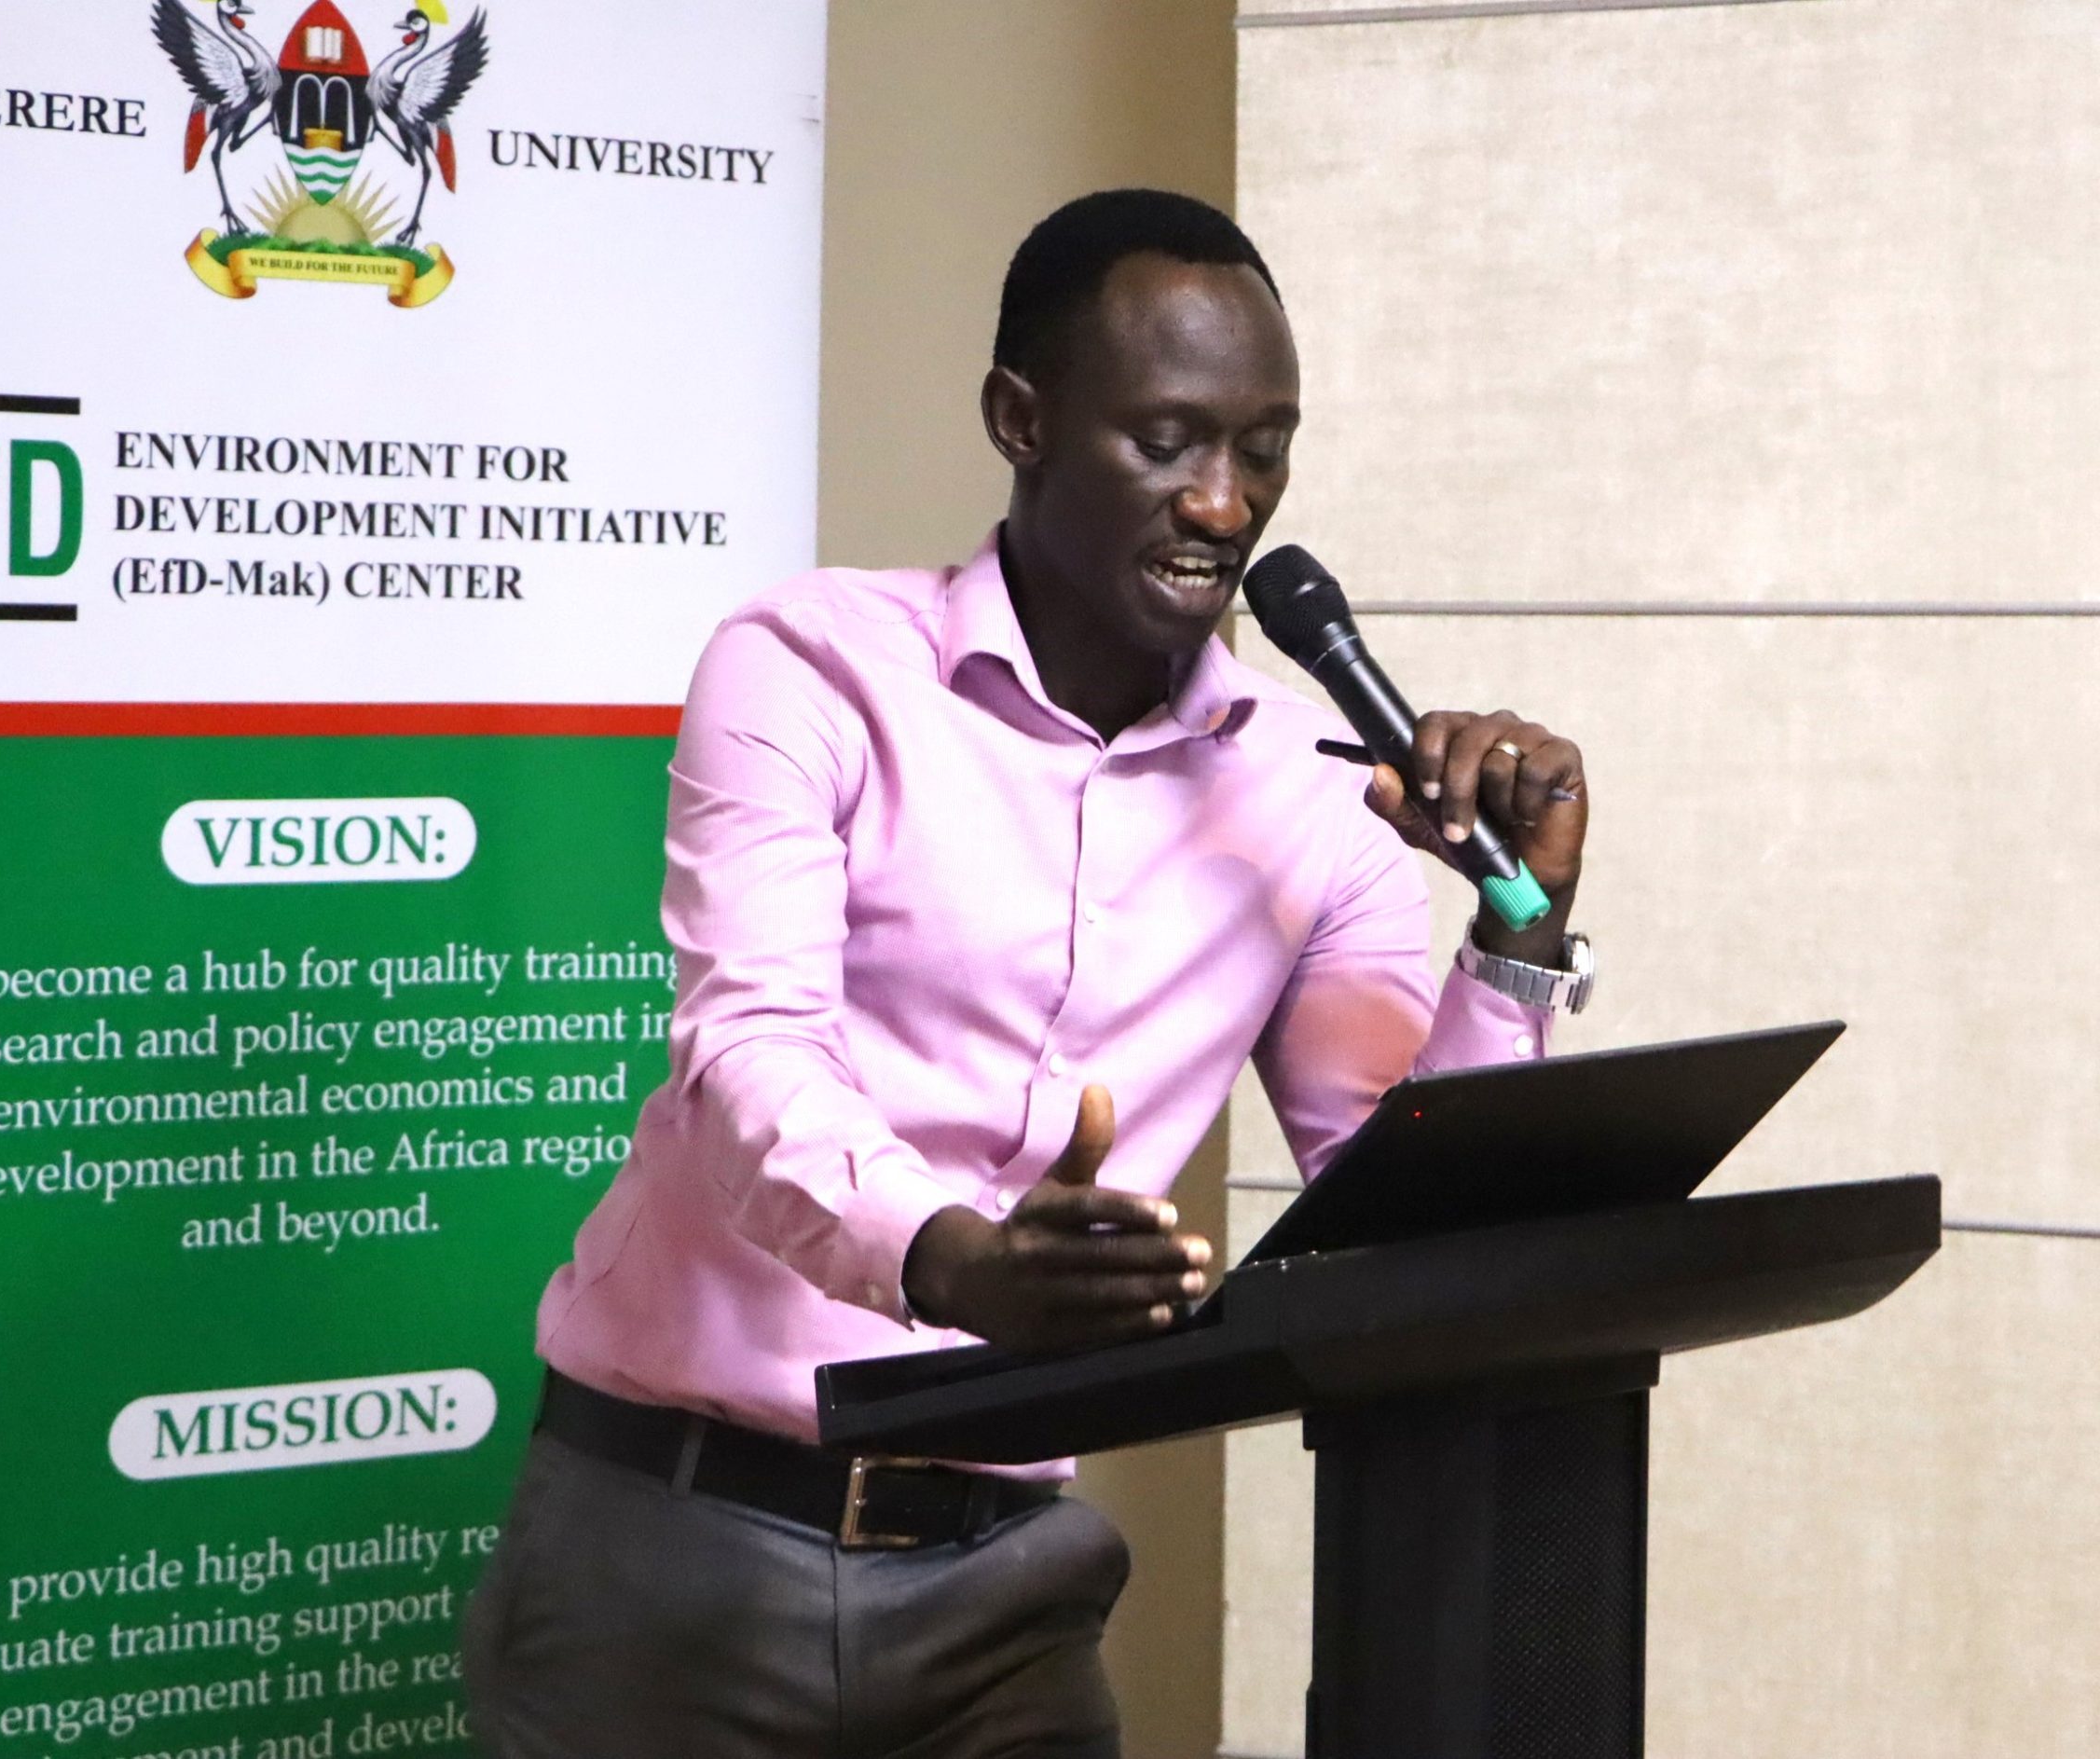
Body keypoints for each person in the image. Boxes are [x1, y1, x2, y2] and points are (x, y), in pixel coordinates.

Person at [462, 188, 1592, 1759]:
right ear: (1021, 419)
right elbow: (750, 1062)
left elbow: (1397, 1207)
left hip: (1011, 1590)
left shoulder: (1317, 801)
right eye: (1168, 441)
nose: (1222, 502)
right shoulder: (811, 670)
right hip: (678, 1554)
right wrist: (957, 1260)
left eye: (1262, 449)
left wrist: (1517, 940)